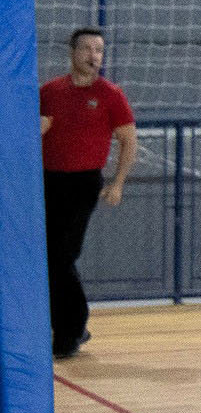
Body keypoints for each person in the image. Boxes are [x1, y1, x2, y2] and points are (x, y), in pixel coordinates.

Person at [40, 26, 137, 360]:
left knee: (62, 256)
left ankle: (70, 331)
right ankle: (69, 326)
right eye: (87, 49)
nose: (94, 56)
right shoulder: (50, 91)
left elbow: (128, 140)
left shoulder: (110, 95)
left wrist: (117, 183)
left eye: (99, 50)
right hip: (48, 181)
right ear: (72, 52)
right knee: (50, 258)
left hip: (83, 184)